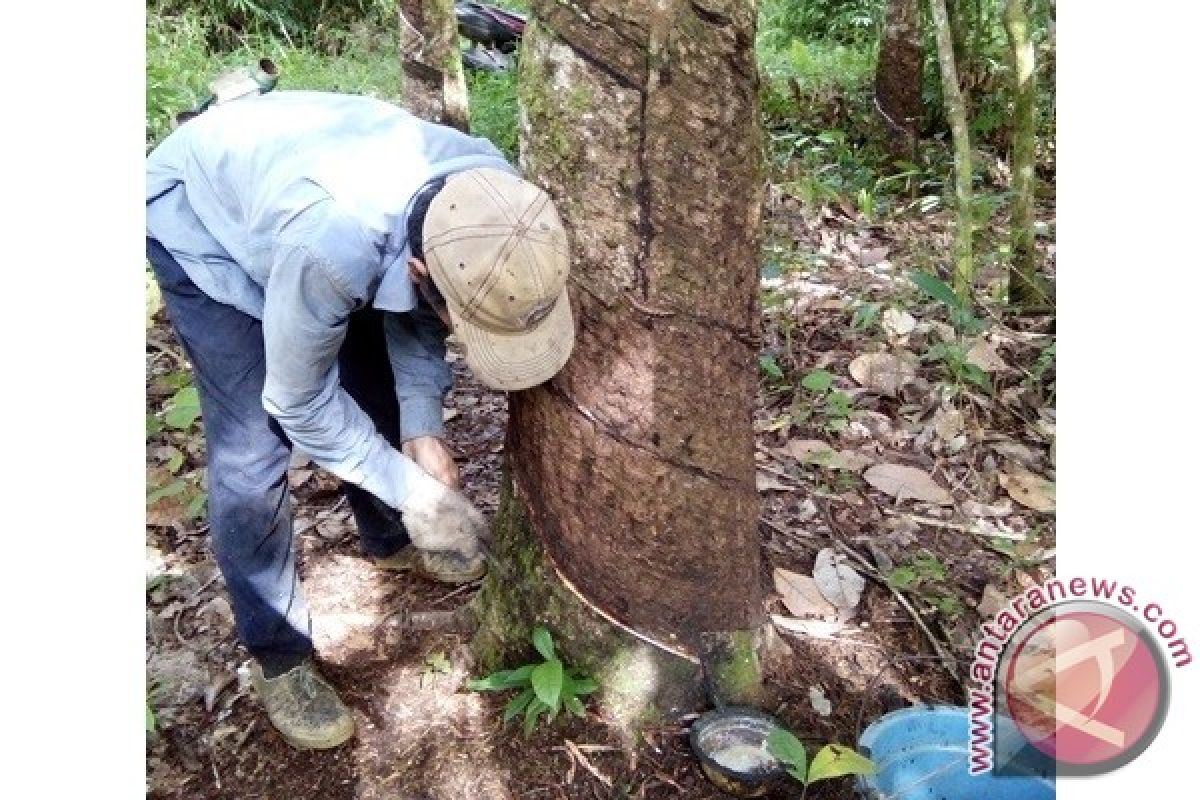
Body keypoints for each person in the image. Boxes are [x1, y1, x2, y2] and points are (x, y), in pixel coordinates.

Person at [145, 90, 574, 750]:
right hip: (206, 221)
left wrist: (421, 431)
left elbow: (423, 316)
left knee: (369, 377)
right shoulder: (330, 247)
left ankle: (389, 539)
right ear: (418, 268)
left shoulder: (494, 200)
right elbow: (299, 402)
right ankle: (279, 656)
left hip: (316, 200)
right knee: (253, 449)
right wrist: (416, 491)